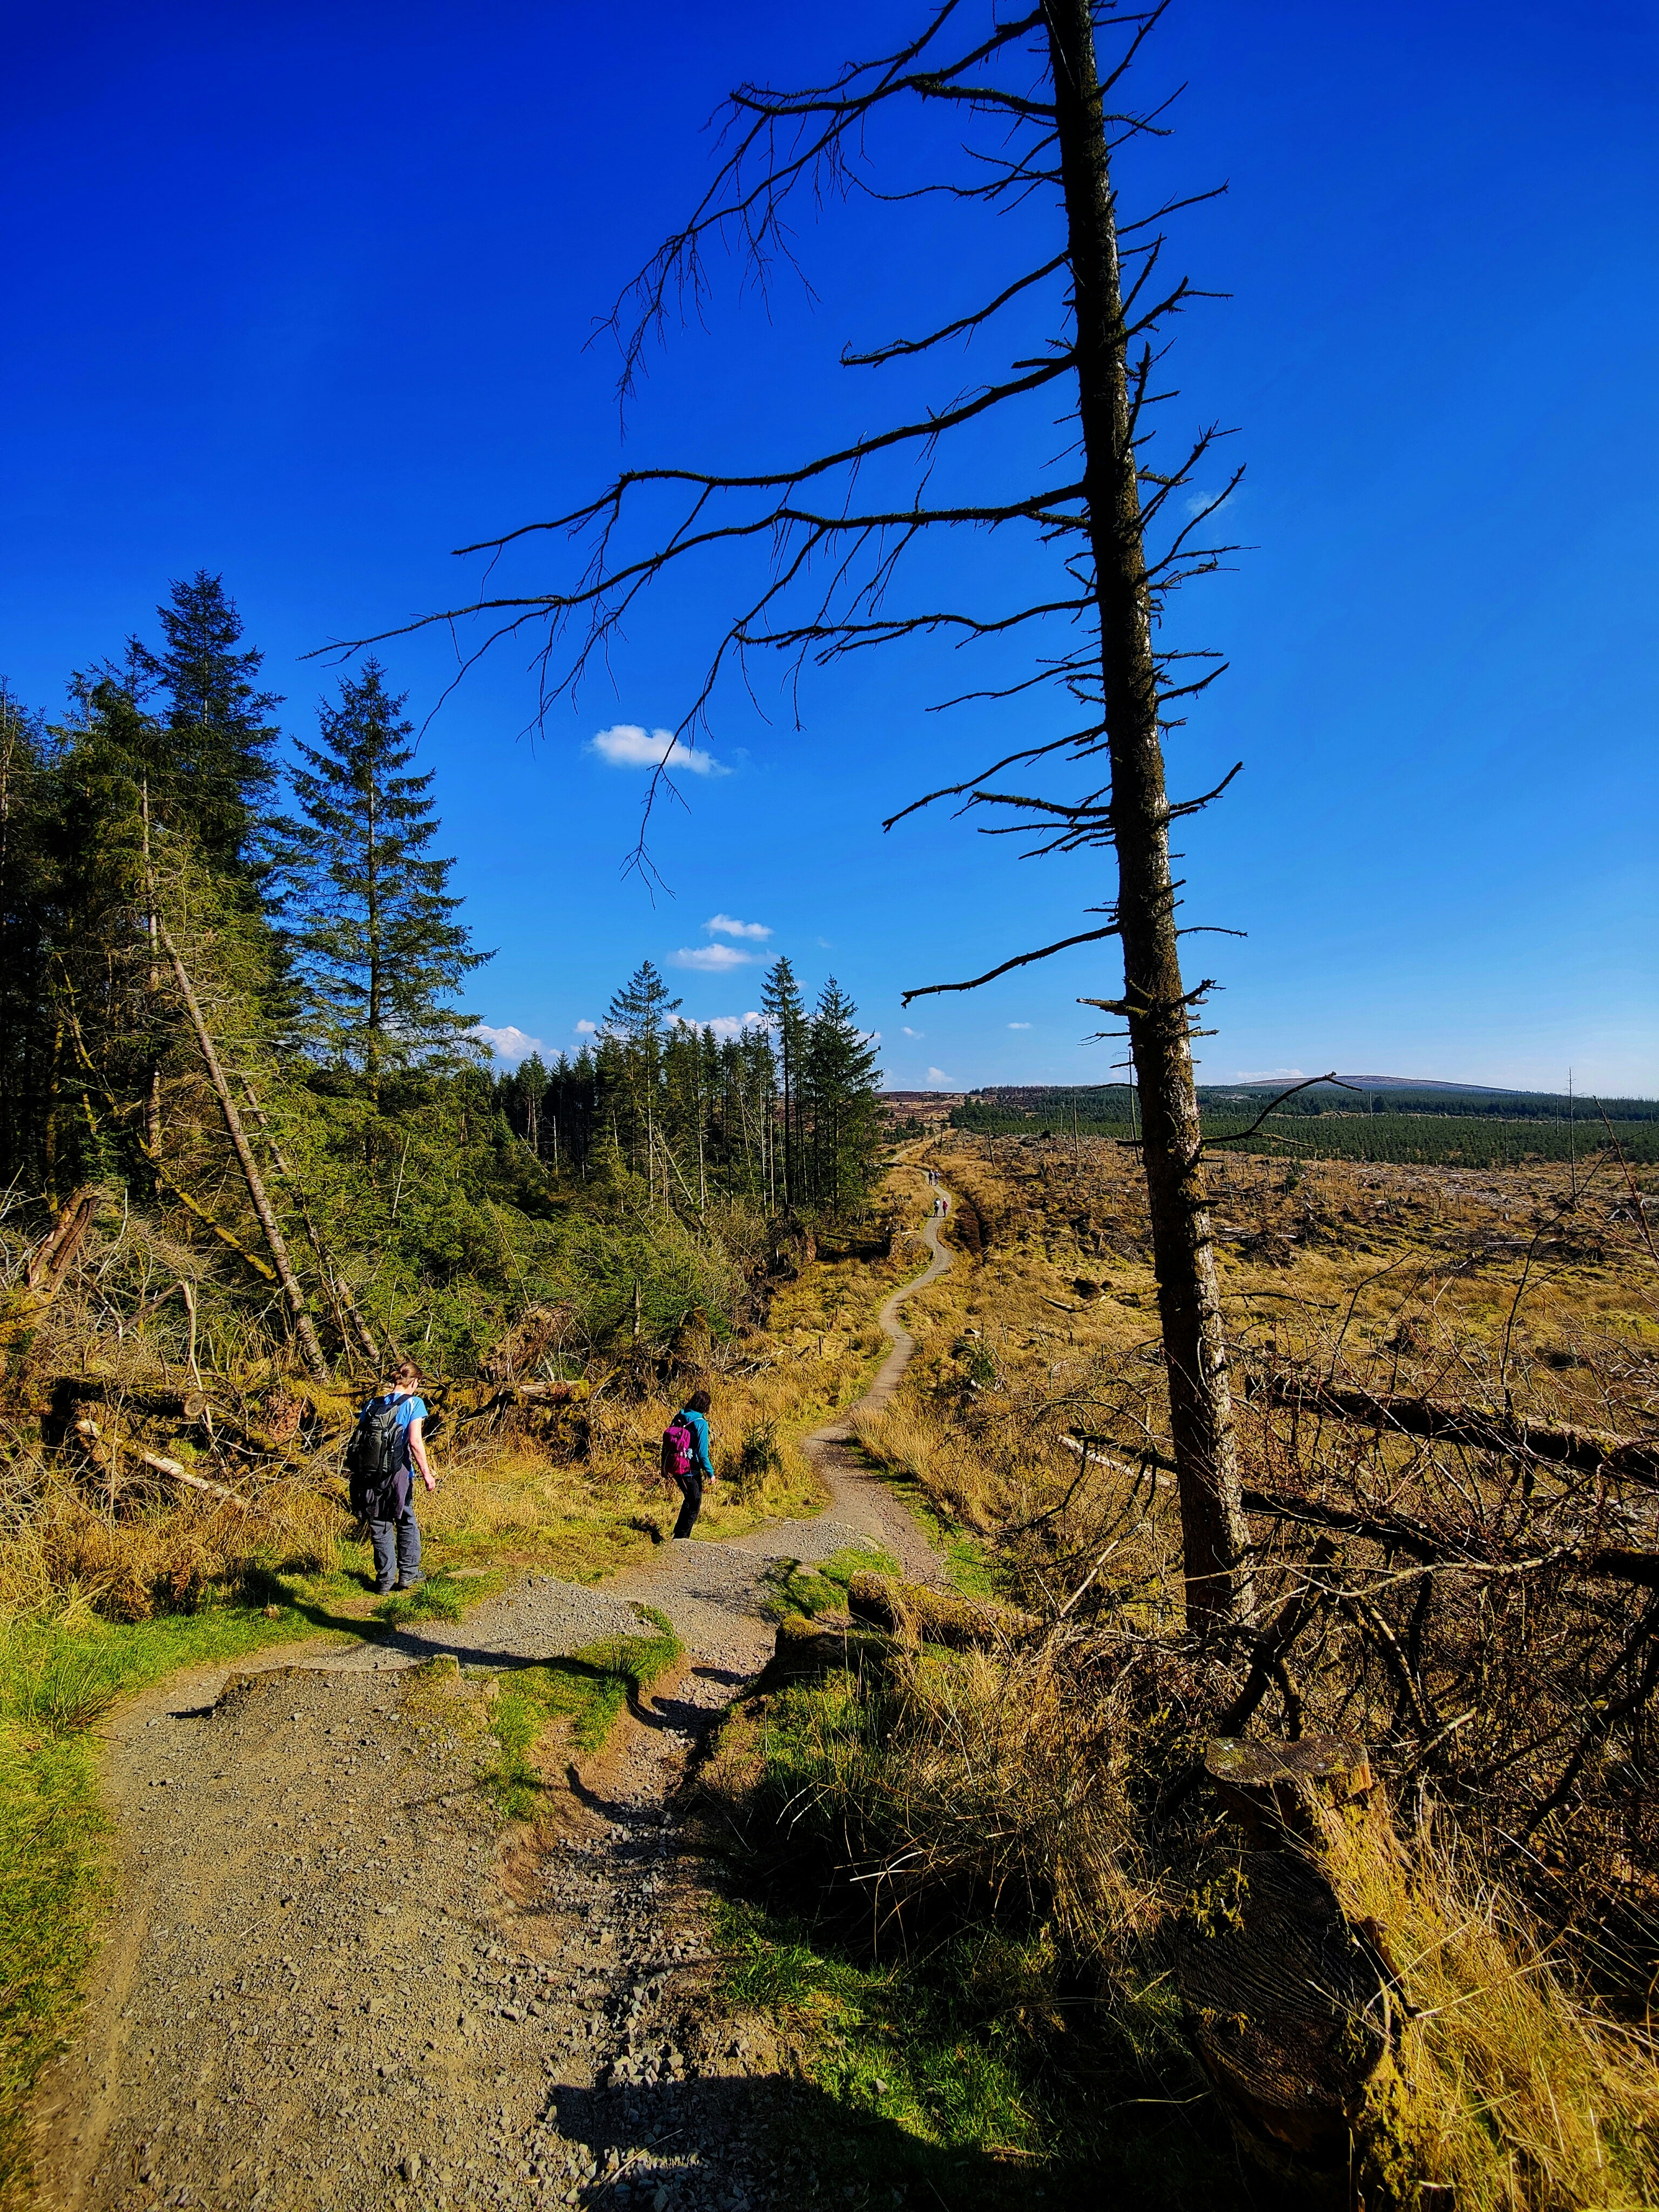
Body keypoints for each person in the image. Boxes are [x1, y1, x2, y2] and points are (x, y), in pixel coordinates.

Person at [361, 1358, 437, 1594]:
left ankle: (384, 1581)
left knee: (379, 1522)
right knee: (406, 1520)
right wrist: (427, 1474)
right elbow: (415, 1442)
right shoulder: (415, 1404)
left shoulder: (373, 1404)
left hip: (371, 1474)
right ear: (413, 1382)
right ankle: (408, 1574)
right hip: (399, 1472)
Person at [669, 1388, 715, 1540]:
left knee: (691, 1499)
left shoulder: (680, 1416)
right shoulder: (701, 1423)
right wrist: (710, 1473)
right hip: (689, 1468)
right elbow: (702, 1454)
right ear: (705, 1406)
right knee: (694, 1501)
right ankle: (681, 1538)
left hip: (675, 1464)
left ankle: (680, 1535)